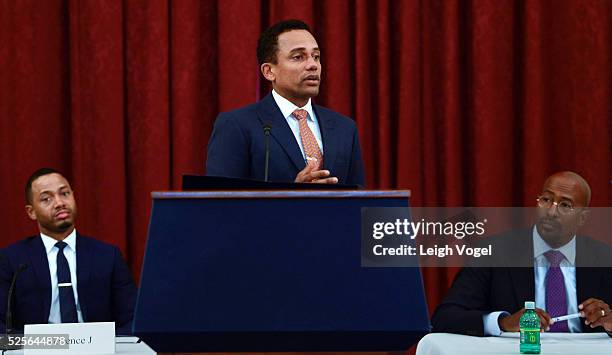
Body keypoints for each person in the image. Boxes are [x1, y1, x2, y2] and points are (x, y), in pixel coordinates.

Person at [431, 171, 612, 336]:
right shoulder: (494, 252)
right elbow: (445, 317)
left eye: (565, 205)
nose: (550, 212)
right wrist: (503, 322)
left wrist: (610, 320)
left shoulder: (604, 258)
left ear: (582, 218)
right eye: (546, 200)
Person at [206, 19, 365, 186]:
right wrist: (292, 195)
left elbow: (360, 200)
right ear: (269, 71)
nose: (313, 65)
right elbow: (221, 204)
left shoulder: (345, 128)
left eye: (316, 56)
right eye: (298, 57)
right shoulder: (236, 125)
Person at [0, 168, 136, 334]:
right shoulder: (13, 260)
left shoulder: (107, 256)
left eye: (64, 193)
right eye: (46, 199)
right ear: (31, 212)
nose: (59, 203)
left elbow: (132, 318)